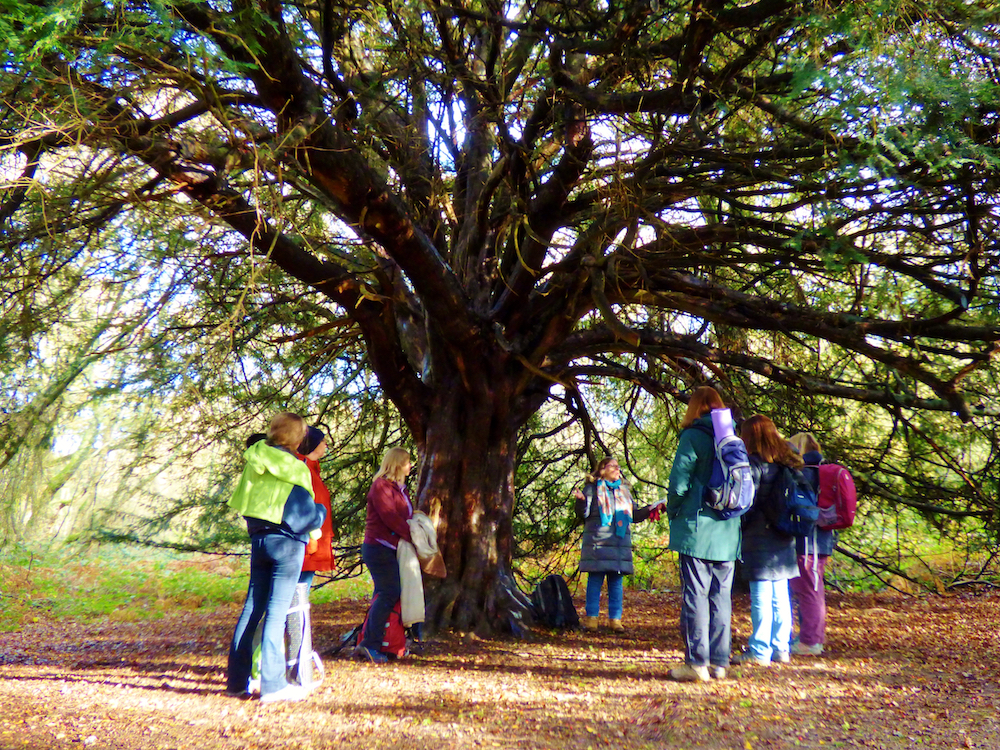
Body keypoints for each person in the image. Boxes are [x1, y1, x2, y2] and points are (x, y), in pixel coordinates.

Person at [226, 412, 327, 703]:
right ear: (297, 438)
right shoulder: (295, 468)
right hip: (287, 545)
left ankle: (236, 681)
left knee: (251, 609)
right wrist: (320, 513)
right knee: (276, 611)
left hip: (259, 539)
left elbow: (245, 502)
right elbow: (305, 516)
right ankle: (273, 685)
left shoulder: (254, 458)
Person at [666, 386, 742, 682]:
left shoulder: (693, 436)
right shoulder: (734, 438)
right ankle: (720, 663)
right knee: (721, 597)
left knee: (695, 595)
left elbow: (679, 482)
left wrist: (673, 511)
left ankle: (697, 663)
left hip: (698, 529)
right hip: (728, 531)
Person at [736, 414, 803, 666]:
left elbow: (747, 502)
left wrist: (739, 524)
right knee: (780, 594)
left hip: (759, 535)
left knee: (761, 594)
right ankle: (781, 647)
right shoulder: (787, 464)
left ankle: (759, 650)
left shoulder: (753, 464)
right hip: (784, 534)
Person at [572, 457, 662, 632]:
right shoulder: (591, 489)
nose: (616, 469)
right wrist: (581, 501)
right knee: (595, 582)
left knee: (616, 584)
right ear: (601, 470)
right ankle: (591, 619)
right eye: (612, 466)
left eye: (618, 466)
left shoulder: (624, 491)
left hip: (619, 544)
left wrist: (650, 509)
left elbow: (633, 515)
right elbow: (582, 514)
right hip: (597, 544)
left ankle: (615, 620)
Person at [358, 446, 414, 664]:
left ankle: (387, 642)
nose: (410, 466)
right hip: (378, 547)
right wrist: (412, 536)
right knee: (389, 592)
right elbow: (390, 516)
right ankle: (370, 644)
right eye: (407, 462)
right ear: (398, 464)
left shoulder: (400, 488)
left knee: (387, 594)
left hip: (393, 548)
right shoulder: (381, 486)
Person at [788, 431, 833, 656]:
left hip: (808, 542)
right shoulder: (823, 471)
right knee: (813, 589)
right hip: (821, 540)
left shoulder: (804, 474)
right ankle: (809, 636)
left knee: (807, 591)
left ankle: (810, 640)